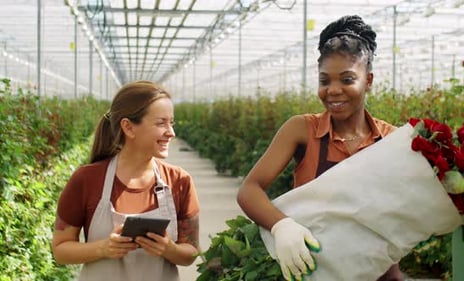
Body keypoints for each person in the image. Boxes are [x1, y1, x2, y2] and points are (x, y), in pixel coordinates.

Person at [237, 15, 404, 281]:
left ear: (369, 81)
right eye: (325, 81)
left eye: (347, 80)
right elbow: (249, 189)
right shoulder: (303, 130)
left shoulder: (390, 140)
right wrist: (281, 225)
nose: (333, 90)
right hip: (315, 270)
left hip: (379, 273)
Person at [52, 81, 200, 281]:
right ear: (128, 127)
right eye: (160, 123)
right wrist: (103, 248)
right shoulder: (87, 180)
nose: (171, 132)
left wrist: (168, 249)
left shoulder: (179, 181)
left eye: (171, 123)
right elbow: (60, 250)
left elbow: (191, 252)